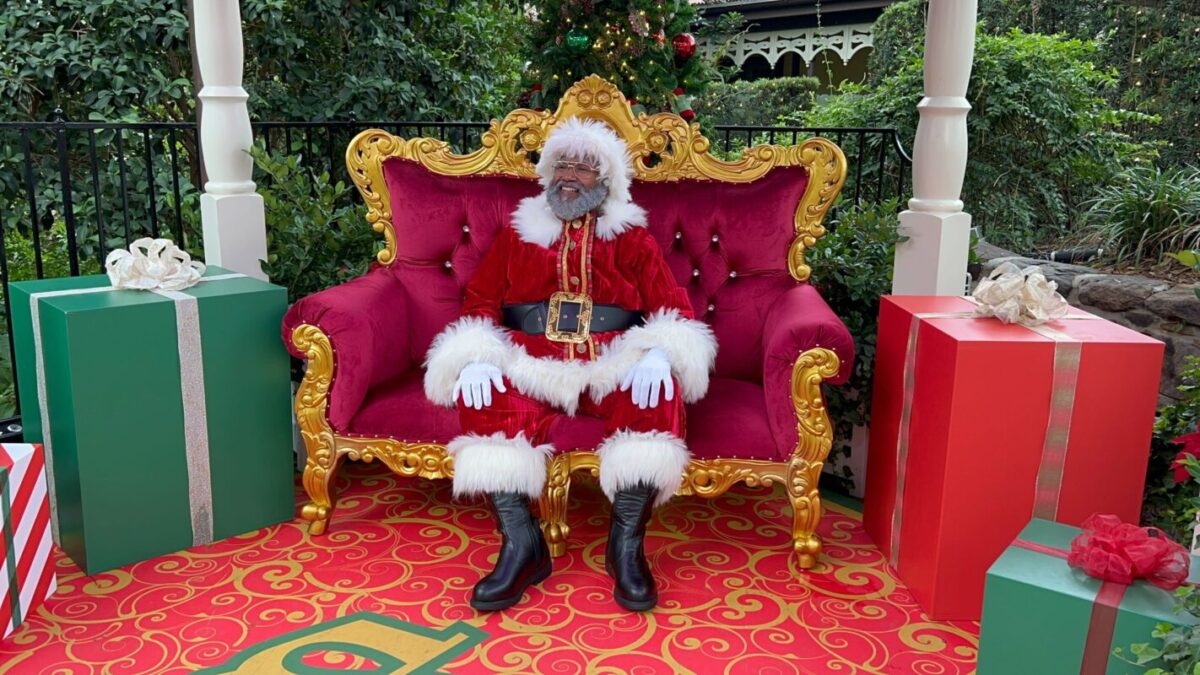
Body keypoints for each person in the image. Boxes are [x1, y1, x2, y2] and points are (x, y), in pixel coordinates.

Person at [423, 116, 716, 612]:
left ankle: (625, 548)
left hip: (611, 361)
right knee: (485, 393)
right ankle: (522, 545)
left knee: (657, 393)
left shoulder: (632, 238)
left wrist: (661, 352)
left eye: (583, 168)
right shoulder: (519, 234)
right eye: (562, 164)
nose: (569, 176)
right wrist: (475, 353)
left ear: (605, 180)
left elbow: (672, 308)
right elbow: (481, 299)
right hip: (530, 360)